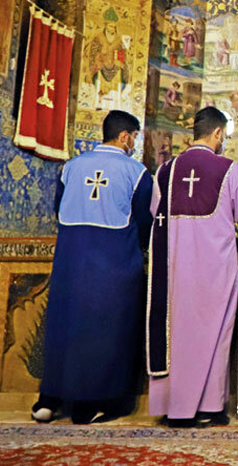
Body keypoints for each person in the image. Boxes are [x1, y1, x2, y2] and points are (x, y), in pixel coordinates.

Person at [33, 111, 153, 424]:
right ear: (126, 137)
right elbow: (145, 221)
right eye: (135, 138)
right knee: (107, 331)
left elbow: (58, 209)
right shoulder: (136, 172)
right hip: (114, 263)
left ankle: (49, 401)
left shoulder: (70, 167)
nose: (134, 143)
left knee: (64, 326)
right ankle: (94, 405)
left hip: (70, 260)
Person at [147, 106, 238, 427]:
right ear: (218, 134)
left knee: (177, 334)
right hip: (216, 266)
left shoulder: (165, 171)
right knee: (217, 334)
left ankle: (177, 409)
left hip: (175, 265)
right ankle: (210, 408)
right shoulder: (229, 168)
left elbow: (157, 210)